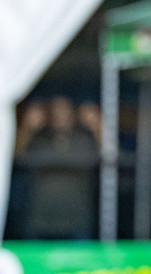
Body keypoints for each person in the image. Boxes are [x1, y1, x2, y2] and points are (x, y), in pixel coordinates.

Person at [17, 96, 100, 239]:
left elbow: (111, 155)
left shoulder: (83, 140)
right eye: (55, 110)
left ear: (74, 113)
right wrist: (28, 128)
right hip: (40, 221)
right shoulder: (38, 139)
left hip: (78, 222)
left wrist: (98, 127)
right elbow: (16, 156)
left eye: (65, 110)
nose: (60, 115)